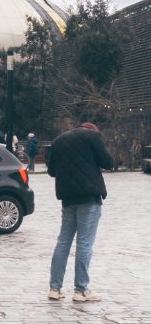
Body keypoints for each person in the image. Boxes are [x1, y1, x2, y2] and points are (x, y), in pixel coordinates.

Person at [47, 121, 114, 304]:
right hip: (89, 197)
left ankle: (55, 288)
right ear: (93, 130)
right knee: (84, 244)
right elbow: (108, 163)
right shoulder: (92, 137)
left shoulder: (59, 140)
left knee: (63, 242)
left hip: (68, 199)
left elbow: (52, 171)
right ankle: (81, 290)